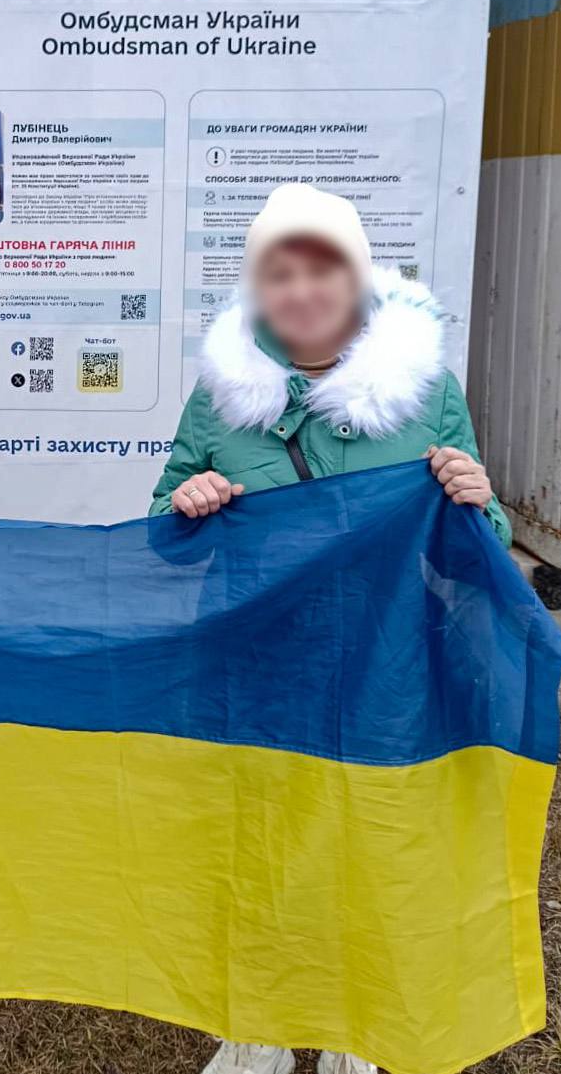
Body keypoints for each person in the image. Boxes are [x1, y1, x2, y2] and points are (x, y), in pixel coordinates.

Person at [149, 182, 510, 1074]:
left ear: (356, 276)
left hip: (387, 663)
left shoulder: (425, 391)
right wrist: (187, 503)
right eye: (280, 272)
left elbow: (479, 549)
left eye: (322, 269)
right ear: (258, 286)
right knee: (259, 841)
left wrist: (478, 502)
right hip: (257, 663)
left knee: (371, 838)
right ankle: (259, 1025)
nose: (302, 290)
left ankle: (357, 1028)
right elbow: (161, 531)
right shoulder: (220, 397)